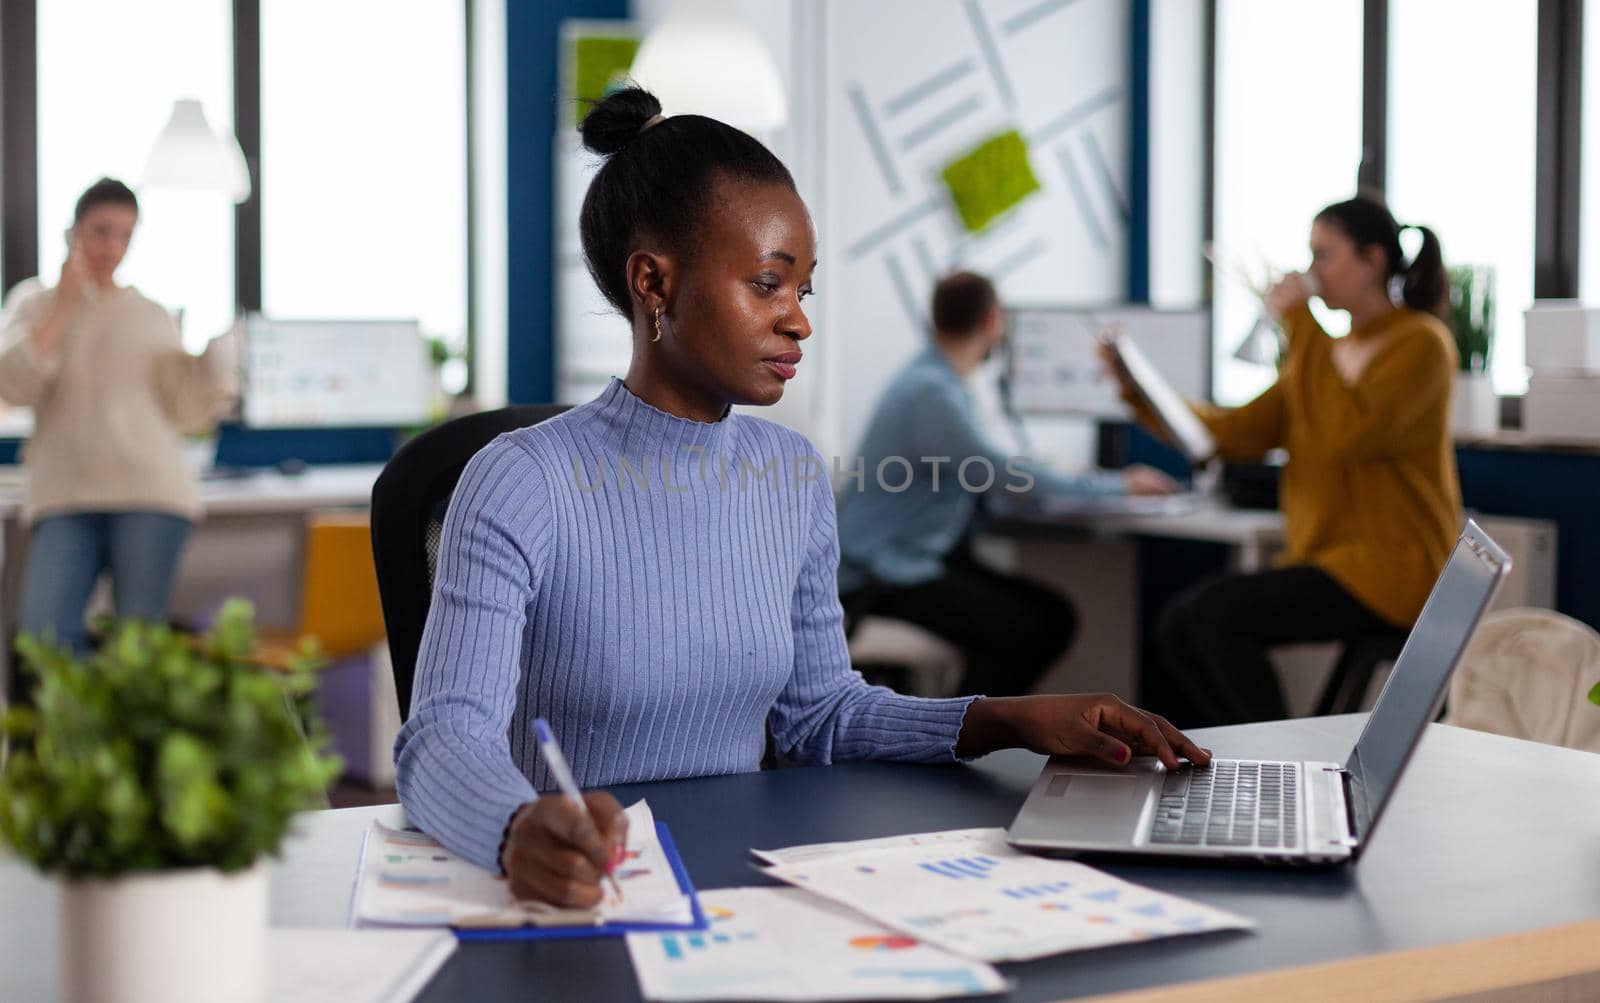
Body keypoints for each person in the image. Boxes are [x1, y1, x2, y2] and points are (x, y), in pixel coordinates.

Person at [393, 87, 1211, 909]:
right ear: (654, 283)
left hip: (742, 890)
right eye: (766, 284)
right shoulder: (519, 480)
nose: (798, 323)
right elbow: (442, 736)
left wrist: (1004, 719)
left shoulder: (789, 474)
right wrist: (515, 829)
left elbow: (819, 716)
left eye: (804, 292)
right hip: (575, 896)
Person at [1114, 195, 1462, 725]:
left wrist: (1299, 323)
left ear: (1372, 260)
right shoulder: (1323, 352)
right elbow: (1235, 433)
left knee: (1216, 616)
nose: (1310, 272)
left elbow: (1351, 433)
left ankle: (1279, 756)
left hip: (1393, 569)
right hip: (1331, 562)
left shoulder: (1421, 345)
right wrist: (1140, 390)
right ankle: (1244, 755)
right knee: (1179, 625)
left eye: (1324, 255)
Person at [836, 270, 1179, 697]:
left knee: (1051, 615)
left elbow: (989, 472)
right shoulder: (930, 393)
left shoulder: (932, 381)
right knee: (1031, 628)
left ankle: (964, 731)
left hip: (912, 559)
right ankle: (957, 737)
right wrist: (1117, 486)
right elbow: (1003, 473)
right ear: (993, 321)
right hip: (882, 576)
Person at [0, 178, 238, 655]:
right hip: (64, 494)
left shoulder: (151, 315)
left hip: (151, 491)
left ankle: (118, 731)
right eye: (100, 231)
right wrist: (66, 305)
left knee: (137, 645)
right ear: (73, 231)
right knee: (45, 637)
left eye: (124, 236)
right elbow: (13, 385)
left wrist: (215, 366)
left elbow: (186, 413)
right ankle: (82, 731)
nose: (111, 247)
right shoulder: (33, 302)